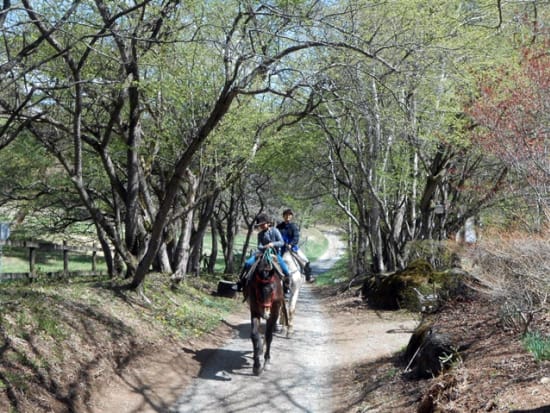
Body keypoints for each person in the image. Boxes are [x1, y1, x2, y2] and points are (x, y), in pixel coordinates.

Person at [236, 213, 291, 297]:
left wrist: (272, 244)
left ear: (268, 223)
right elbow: (259, 245)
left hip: (274, 253)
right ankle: (240, 283)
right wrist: (264, 247)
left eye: (263, 224)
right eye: (260, 225)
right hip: (261, 253)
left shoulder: (275, 231)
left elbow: (281, 242)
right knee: (247, 263)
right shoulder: (260, 234)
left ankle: (286, 289)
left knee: (286, 270)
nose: (261, 226)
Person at [276, 209, 315, 282]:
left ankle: (308, 276)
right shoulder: (279, 227)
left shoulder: (294, 226)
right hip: (280, 248)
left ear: (291, 216)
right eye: (286, 215)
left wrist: (291, 244)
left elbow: (296, 237)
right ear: (283, 216)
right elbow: (276, 237)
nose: (287, 216)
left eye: (289, 215)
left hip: (292, 248)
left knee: (306, 260)